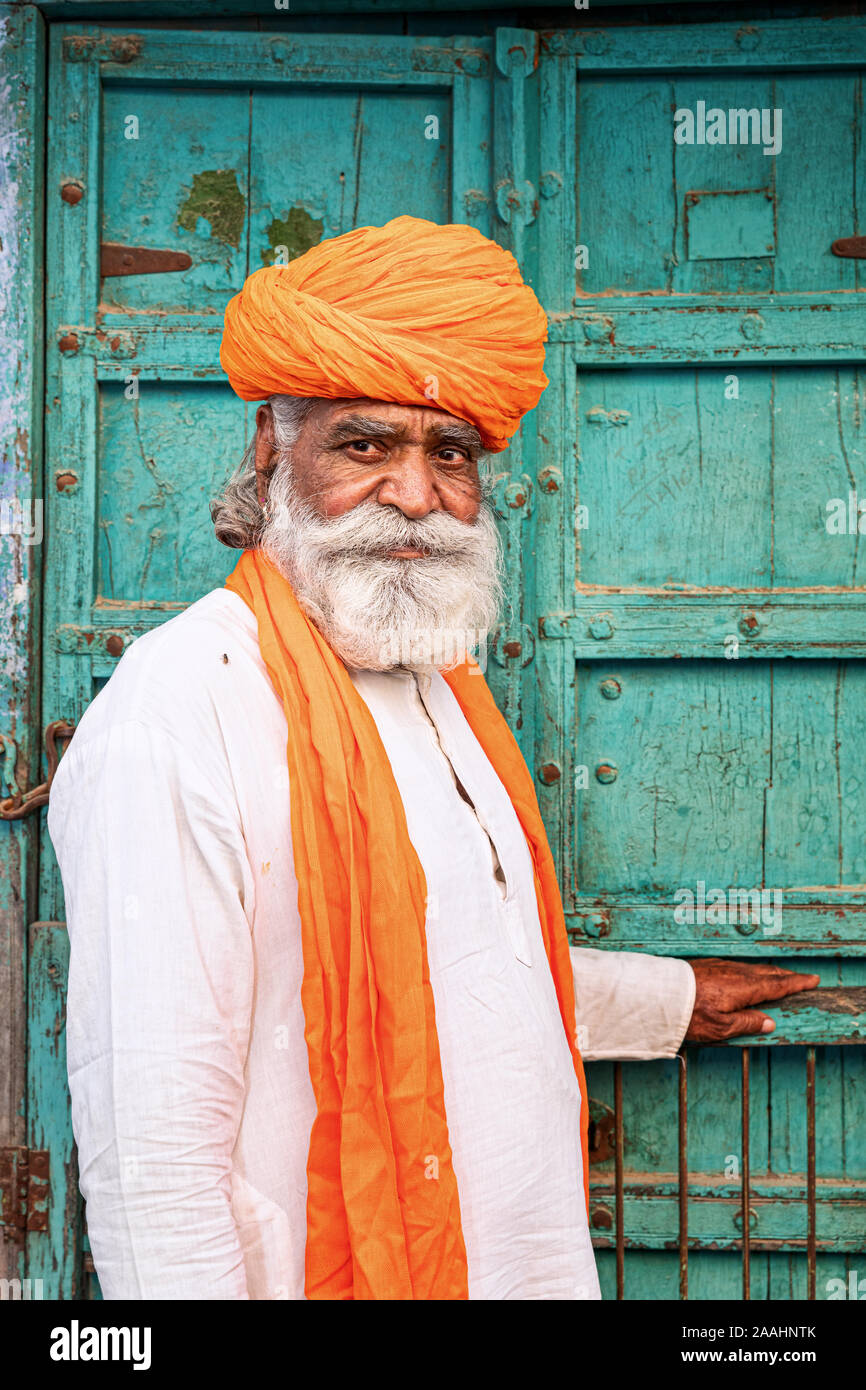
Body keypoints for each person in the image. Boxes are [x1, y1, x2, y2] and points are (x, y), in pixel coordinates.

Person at [47, 215, 817, 1300]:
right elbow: (150, 1138)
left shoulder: (435, 680)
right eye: (365, 446)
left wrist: (663, 998)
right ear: (274, 451)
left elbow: (444, 970)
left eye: (447, 455)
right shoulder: (178, 708)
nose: (415, 496)